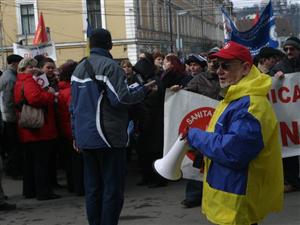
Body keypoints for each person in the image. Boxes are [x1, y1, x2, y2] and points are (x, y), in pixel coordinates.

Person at [184, 41, 283, 225]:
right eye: (217, 65)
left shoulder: (251, 105)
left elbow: (232, 151)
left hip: (236, 200)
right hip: (228, 195)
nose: (219, 71)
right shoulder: (235, 97)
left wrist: (195, 136)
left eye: (226, 66)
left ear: (245, 68)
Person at [70, 28, 151, 225]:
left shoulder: (79, 68)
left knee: (93, 188)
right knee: (112, 189)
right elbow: (121, 99)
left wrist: (75, 135)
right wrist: (143, 90)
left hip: (85, 137)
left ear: (90, 44)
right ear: (110, 44)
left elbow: (73, 106)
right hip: (108, 137)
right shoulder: (109, 66)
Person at [177, 50, 221, 208]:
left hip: (222, 125)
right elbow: (186, 97)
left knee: (219, 160)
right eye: (210, 60)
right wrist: (177, 92)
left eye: (216, 60)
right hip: (203, 124)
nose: (213, 63)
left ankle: (217, 195)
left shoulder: (229, 77)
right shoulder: (198, 79)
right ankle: (193, 196)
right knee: (198, 160)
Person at [14, 58, 60, 201]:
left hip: (28, 128)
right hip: (38, 129)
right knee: (40, 162)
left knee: (30, 163)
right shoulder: (28, 81)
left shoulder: (19, 81)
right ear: (28, 68)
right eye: (34, 67)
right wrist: (50, 95)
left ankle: (30, 191)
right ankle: (43, 191)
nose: (37, 70)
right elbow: (35, 99)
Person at [269, 36, 300, 193]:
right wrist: (275, 77)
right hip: (288, 117)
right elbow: (267, 84)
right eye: (286, 49)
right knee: (291, 149)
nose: (289, 52)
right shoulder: (279, 67)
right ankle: (292, 180)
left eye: (292, 49)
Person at [0, 54, 23, 179]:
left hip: (7, 116)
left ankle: (11, 169)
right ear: (15, 64)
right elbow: (8, 100)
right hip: (10, 117)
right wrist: (13, 117)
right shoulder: (10, 78)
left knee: (11, 146)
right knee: (14, 146)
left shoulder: (7, 75)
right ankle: (14, 171)